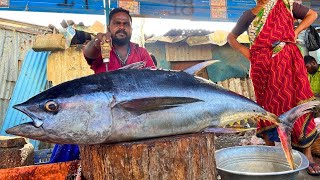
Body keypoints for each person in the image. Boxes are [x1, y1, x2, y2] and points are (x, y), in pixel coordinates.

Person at [49, 8, 155, 165]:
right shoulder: (102, 49)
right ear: (109, 28)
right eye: (117, 23)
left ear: (131, 29)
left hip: (135, 117)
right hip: (101, 119)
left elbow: (153, 80)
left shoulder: (141, 53)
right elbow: (88, 53)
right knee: (67, 144)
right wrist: (97, 42)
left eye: (126, 24)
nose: (121, 27)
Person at [227, 0, 320, 176]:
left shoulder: (285, 4)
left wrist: (295, 31)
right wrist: (246, 51)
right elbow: (231, 38)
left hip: (289, 63)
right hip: (262, 68)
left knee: (298, 105)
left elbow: (312, 14)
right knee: (269, 110)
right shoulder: (248, 15)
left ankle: (308, 157)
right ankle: (272, 156)